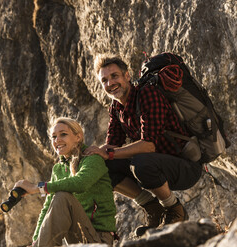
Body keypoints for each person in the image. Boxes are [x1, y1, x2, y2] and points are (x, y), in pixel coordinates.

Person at [84, 54, 202, 236]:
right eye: (104, 80)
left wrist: (110, 154)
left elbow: (149, 145)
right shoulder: (116, 108)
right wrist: (97, 154)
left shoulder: (147, 94)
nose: (110, 83)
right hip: (156, 166)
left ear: (127, 76)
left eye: (114, 76)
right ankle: (152, 207)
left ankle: (174, 209)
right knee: (103, 165)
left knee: (140, 162)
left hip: (184, 167)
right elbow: (112, 145)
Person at [13, 117, 116, 247]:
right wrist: (34, 242)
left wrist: (38, 188)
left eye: (63, 134)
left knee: (62, 196)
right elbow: (47, 209)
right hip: (73, 240)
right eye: (54, 137)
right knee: (57, 199)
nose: (57, 140)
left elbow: (80, 183)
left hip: (99, 240)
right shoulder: (58, 169)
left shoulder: (92, 158)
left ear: (78, 137)